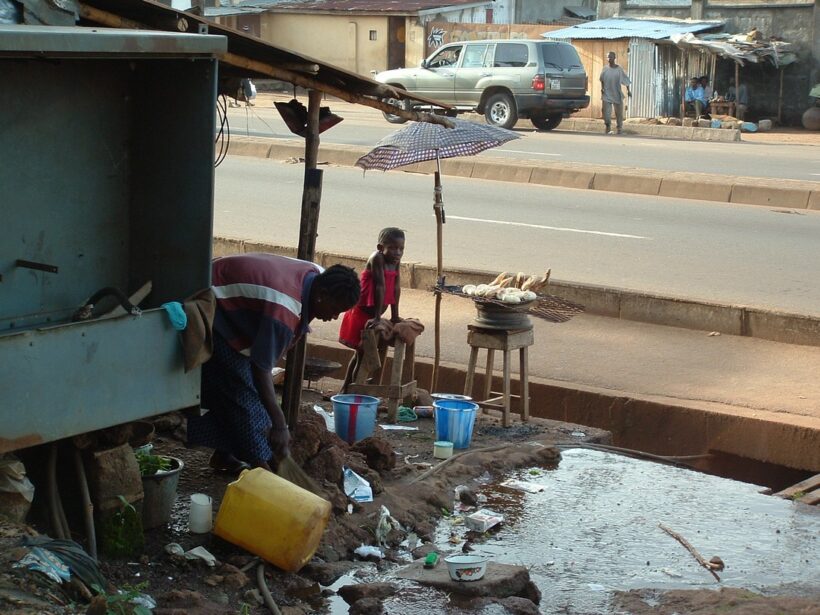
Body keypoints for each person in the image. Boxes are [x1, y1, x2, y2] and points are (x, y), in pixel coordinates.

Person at [187, 253, 360, 473]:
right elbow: (261, 368)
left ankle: (226, 455)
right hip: (213, 305)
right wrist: (279, 424)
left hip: (238, 305)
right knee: (242, 395)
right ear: (322, 295)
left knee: (250, 396)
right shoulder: (284, 308)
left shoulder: (317, 276)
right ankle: (264, 471)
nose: (334, 317)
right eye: (335, 309)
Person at [339, 228, 405, 391]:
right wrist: (376, 317)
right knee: (361, 356)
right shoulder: (377, 258)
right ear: (381, 247)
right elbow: (380, 286)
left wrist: (395, 316)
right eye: (393, 248)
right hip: (362, 313)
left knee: (360, 356)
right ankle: (351, 390)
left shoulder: (395, 262)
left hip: (374, 313)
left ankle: (347, 389)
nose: (398, 253)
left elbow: (395, 288)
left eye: (401, 249)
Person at [599, 51, 632, 135]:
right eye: (607, 57)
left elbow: (626, 80)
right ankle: (608, 127)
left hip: (616, 94)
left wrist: (629, 91)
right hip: (606, 94)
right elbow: (602, 79)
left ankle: (619, 128)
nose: (608, 59)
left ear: (614, 58)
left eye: (610, 57)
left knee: (619, 114)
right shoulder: (605, 69)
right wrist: (602, 89)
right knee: (606, 113)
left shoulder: (619, 69)